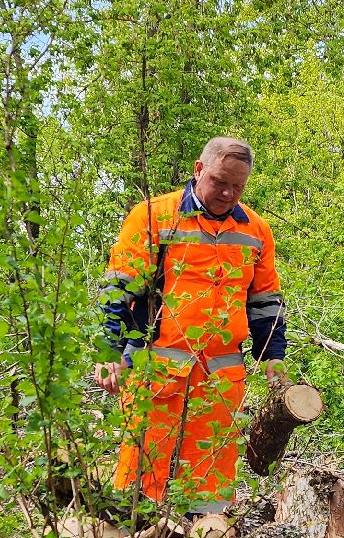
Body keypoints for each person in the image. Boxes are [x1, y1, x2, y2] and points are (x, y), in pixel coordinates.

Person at [96, 137, 286, 514]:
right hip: (155, 364)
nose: (228, 193)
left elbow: (265, 301)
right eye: (220, 181)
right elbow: (118, 286)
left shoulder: (256, 230)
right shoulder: (154, 215)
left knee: (212, 463)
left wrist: (273, 357)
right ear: (199, 170)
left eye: (238, 186)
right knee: (144, 459)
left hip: (221, 371)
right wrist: (109, 351)